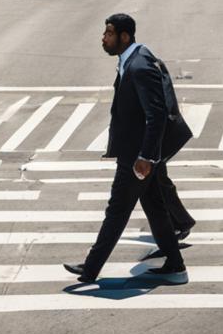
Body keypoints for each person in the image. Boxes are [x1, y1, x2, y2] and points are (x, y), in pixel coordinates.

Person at [63, 14, 193, 284]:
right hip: (139, 154)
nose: (103, 38)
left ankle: (90, 270)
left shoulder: (139, 66)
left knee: (117, 211)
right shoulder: (133, 60)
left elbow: (155, 115)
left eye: (108, 33)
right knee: (155, 207)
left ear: (124, 37)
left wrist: (146, 157)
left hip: (137, 157)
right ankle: (175, 264)